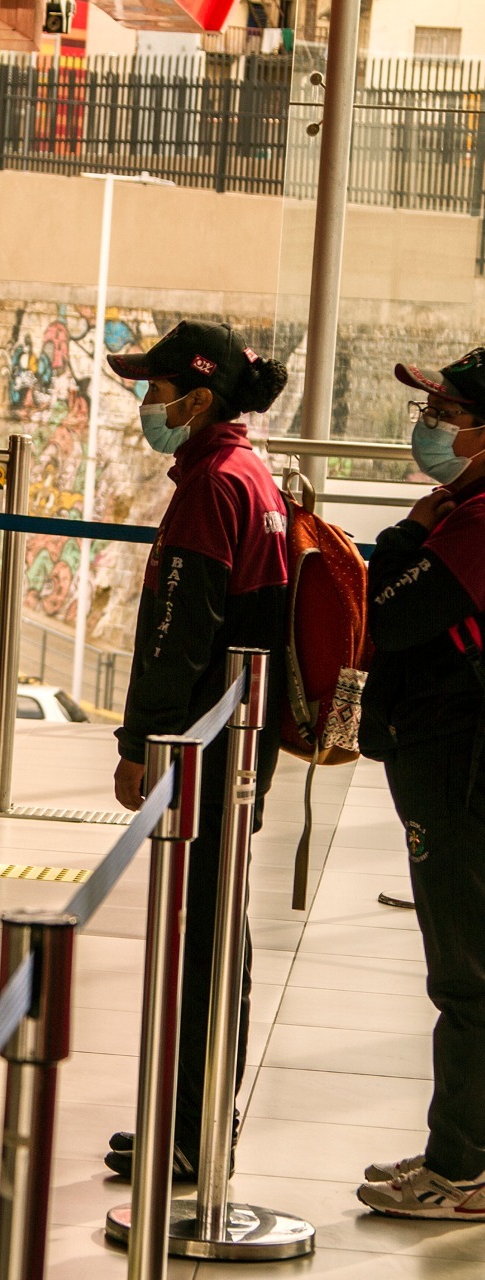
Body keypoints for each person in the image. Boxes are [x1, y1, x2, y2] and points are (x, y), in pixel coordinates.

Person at [102, 320, 290, 1179]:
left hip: (205, 748)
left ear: (199, 398)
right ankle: (193, 1120)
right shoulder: (249, 473)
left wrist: (140, 744)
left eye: (157, 389)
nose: (147, 403)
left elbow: (176, 637)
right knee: (213, 931)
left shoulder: (213, 487)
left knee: (203, 939)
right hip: (237, 744)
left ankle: (192, 1133)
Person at [356, 349, 485, 1218]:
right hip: (453, 755)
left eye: (448, 413)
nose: (431, 425)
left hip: (461, 764)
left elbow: (393, 612)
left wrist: (405, 535)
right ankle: (461, 1150)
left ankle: (462, 1168)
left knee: (466, 974)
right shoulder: (466, 512)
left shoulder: (476, 524)